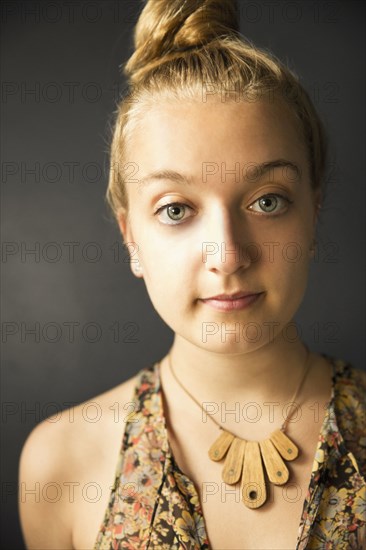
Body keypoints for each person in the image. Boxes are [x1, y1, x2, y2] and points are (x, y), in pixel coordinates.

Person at [19, 1, 365, 549]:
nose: (227, 254)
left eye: (268, 201)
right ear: (131, 236)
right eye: (176, 209)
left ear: (313, 213)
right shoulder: (60, 464)